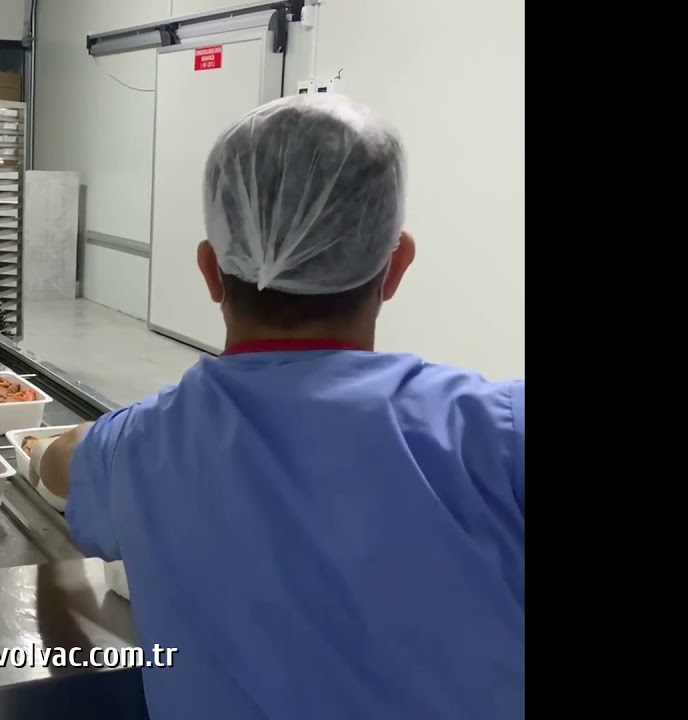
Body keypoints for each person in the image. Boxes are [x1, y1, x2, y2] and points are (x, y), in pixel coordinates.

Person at [31, 94, 524, 720]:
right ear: (396, 265)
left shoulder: (140, 448)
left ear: (210, 271)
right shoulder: (499, 434)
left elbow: (59, 463)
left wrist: (53, 446)